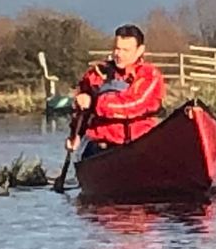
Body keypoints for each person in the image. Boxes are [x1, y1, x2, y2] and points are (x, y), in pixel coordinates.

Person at [66, 24, 166, 156]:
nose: (119, 55)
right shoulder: (96, 74)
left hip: (139, 146)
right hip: (99, 148)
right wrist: (75, 134)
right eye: (117, 49)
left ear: (140, 50)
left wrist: (94, 102)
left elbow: (134, 105)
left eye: (126, 50)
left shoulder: (149, 75)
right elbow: (80, 113)